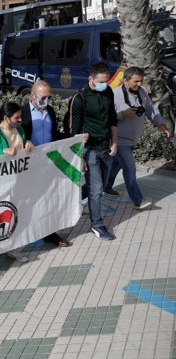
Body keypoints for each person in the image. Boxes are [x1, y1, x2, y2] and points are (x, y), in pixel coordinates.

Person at [104, 66, 173, 210]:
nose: (139, 84)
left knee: (116, 164)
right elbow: (105, 118)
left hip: (132, 139)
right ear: (125, 80)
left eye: (141, 81)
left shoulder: (141, 92)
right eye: (136, 81)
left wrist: (161, 124)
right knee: (130, 169)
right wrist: (123, 114)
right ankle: (138, 200)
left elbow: (150, 109)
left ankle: (106, 186)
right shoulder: (114, 95)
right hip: (119, 140)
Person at [20, 80, 72, 248]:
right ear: (33, 96)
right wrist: (25, 142)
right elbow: (14, 136)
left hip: (49, 162)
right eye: (44, 97)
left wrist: (74, 139)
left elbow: (54, 134)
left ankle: (51, 233)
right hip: (30, 164)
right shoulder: (23, 113)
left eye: (49, 96)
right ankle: (30, 232)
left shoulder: (49, 110)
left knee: (50, 198)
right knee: (32, 199)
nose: (47, 100)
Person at [0, 102, 35, 262]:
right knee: (3, 213)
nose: (20, 120)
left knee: (17, 211)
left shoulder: (19, 129)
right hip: (2, 182)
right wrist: (2, 151)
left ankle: (13, 247)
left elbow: (23, 142)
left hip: (19, 178)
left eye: (20, 117)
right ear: (6, 118)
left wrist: (28, 143)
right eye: (16, 117)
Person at [71, 62, 118, 241]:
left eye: (106, 81)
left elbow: (113, 119)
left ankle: (82, 198)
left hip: (106, 148)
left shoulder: (108, 92)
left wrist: (115, 142)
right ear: (90, 79)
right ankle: (97, 224)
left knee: (101, 185)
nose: (104, 84)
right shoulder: (80, 98)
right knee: (97, 189)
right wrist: (79, 156)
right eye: (100, 81)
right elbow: (73, 130)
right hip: (89, 151)